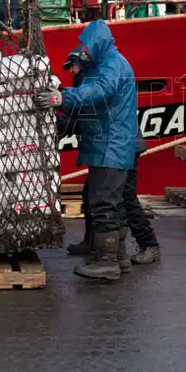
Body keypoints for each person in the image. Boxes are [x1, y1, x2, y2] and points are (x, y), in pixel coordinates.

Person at [36, 19, 137, 281]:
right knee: (106, 201)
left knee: (103, 203)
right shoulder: (103, 65)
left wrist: (61, 98)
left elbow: (97, 92)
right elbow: (88, 100)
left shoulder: (113, 67)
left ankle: (107, 261)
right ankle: (118, 256)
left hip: (111, 147)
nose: (85, 52)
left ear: (100, 45)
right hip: (107, 146)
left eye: (88, 48)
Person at [58, 49, 160, 270]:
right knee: (91, 193)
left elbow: (81, 112)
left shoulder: (95, 83)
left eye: (73, 65)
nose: (71, 70)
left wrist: (60, 105)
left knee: (125, 198)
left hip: (122, 148)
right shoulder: (87, 82)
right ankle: (92, 241)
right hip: (115, 147)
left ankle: (149, 244)